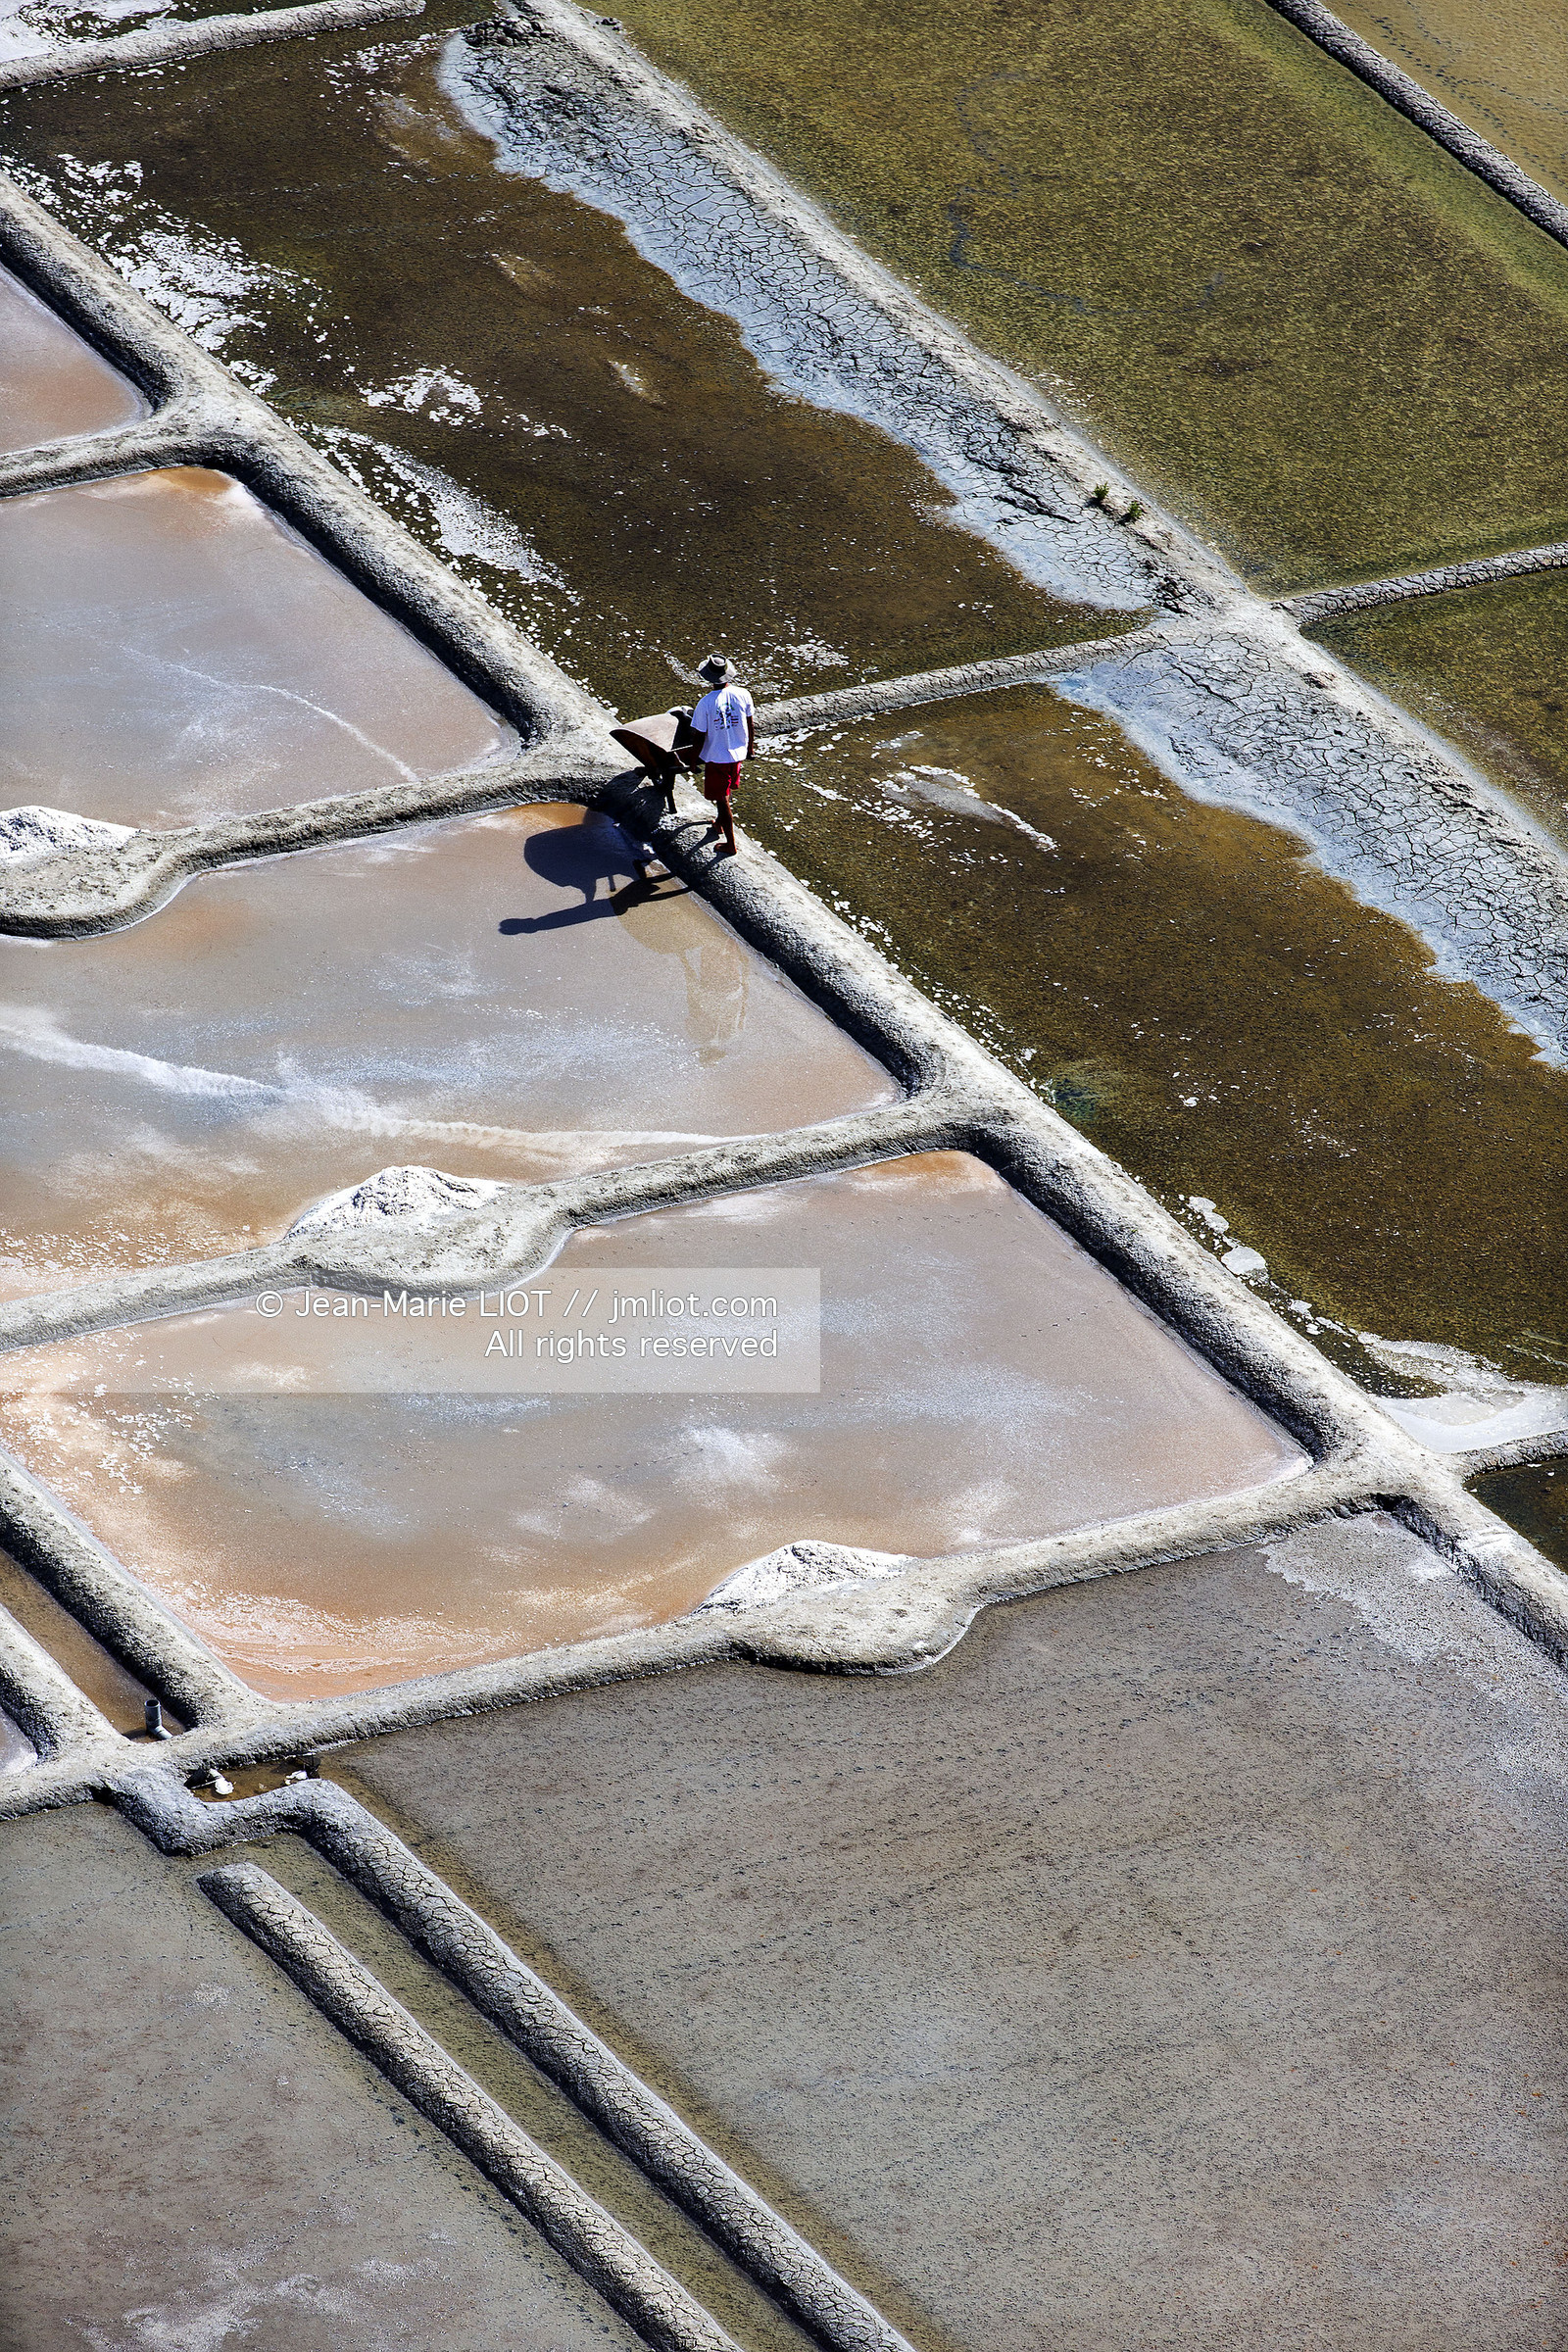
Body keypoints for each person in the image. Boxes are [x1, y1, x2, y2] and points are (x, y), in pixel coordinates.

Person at [691, 654, 754, 858]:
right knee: (725, 791)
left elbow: (699, 735)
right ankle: (719, 823)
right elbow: (750, 723)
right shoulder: (743, 694)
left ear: (708, 678)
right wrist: (750, 748)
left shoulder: (705, 703)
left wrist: (694, 759)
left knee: (722, 799)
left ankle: (730, 844)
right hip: (737, 753)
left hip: (717, 757)